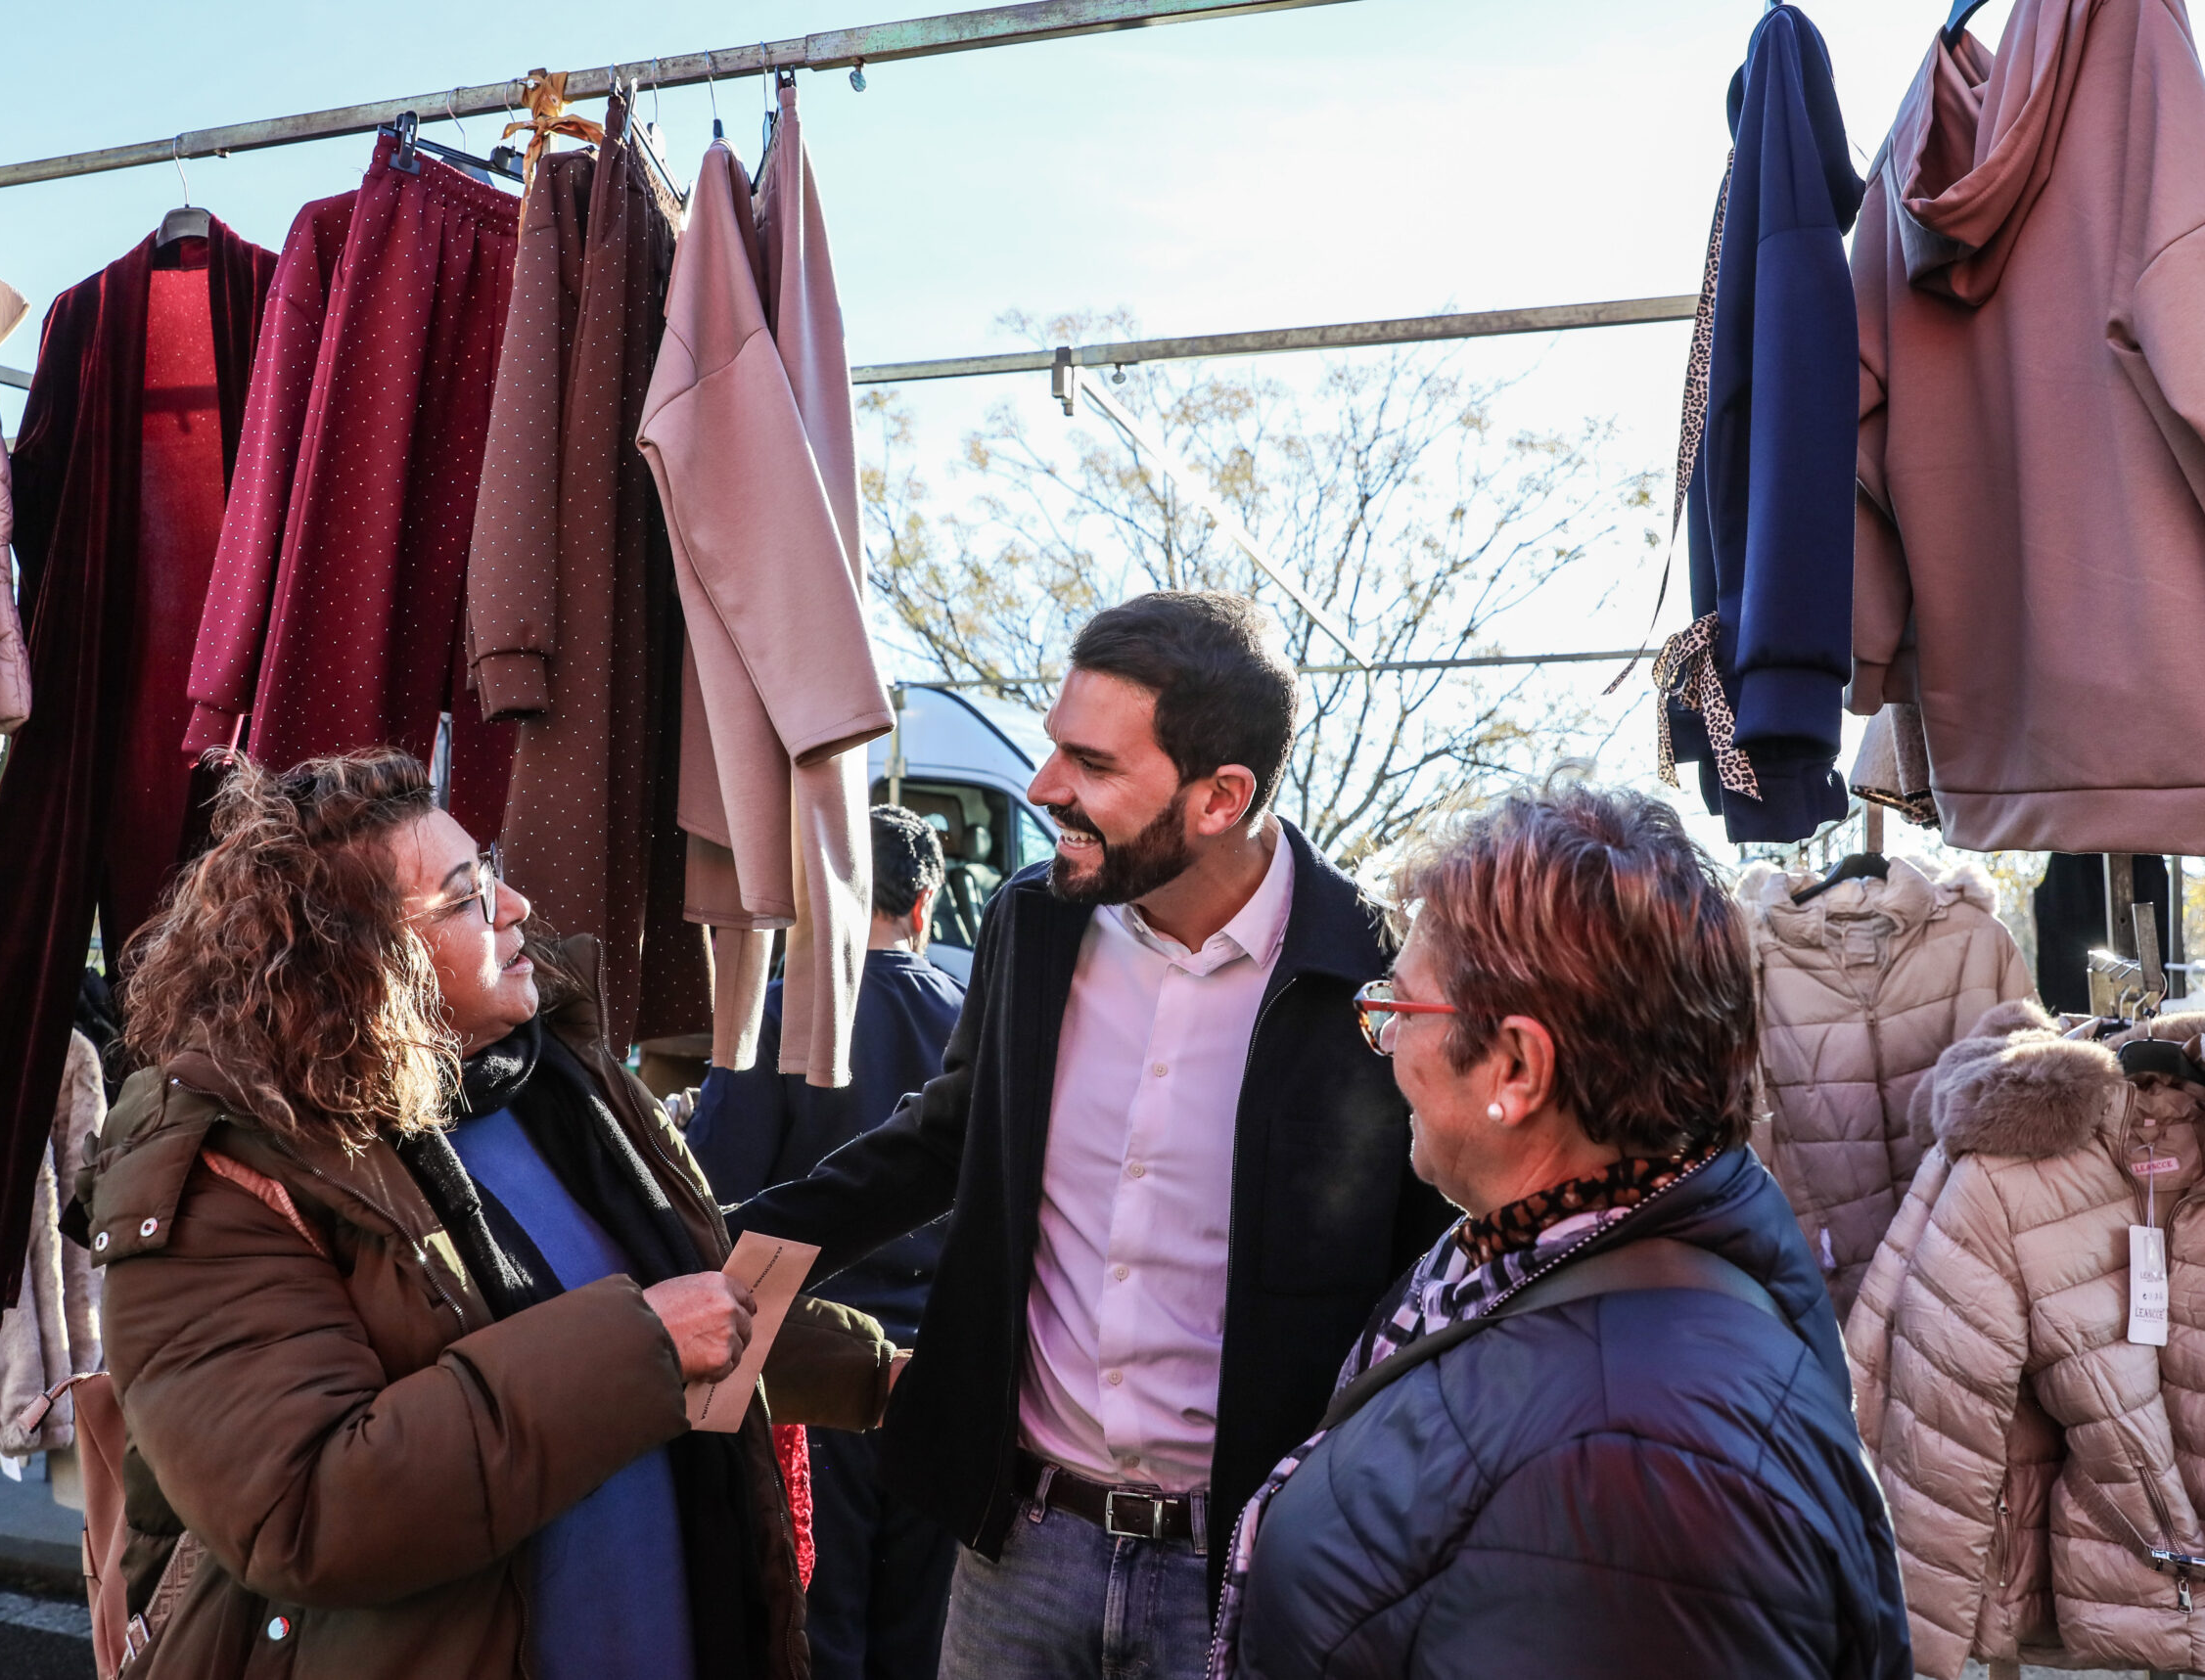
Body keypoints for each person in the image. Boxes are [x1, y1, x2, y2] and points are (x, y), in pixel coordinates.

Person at [729, 593, 1454, 1680]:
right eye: (1054, 745)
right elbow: (940, 1142)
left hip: (1249, 1572)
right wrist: (708, 1249)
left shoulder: (1373, 973)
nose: (1043, 786)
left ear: (1221, 797)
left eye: (1092, 763)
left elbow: (1425, 1266)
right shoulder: (1032, 922)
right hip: (1019, 1551)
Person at [84, 749, 898, 1680]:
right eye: (466, 896)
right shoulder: (223, 1172)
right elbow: (304, 1510)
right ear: (353, 956)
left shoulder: (547, 1079)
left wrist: (880, 1376)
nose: (514, 907)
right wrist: (641, 1346)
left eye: (492, 873)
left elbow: (688, 1305)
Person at [1211, 778, 1910, 1678]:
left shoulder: (1637, 1467)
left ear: (1517, 1067)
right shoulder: (1545, 1264)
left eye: (1402, 1009)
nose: (1382, 1039)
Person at [690, 805, 969, 1680]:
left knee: (815, 1635)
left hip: (806, 1374)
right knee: (921, 1645)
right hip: (938, 1378)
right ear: (923, 904)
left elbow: (710, 1196)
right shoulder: (976, 1027)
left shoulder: (774, 1017)